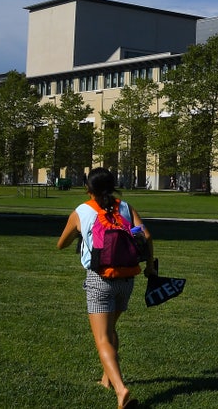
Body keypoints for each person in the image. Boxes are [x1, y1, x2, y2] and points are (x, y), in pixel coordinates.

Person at [57, 167, 155, 409]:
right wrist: (151, 267)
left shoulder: (81, 211)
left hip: (100, 280)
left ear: (87, 188)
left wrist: (75, 236)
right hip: (127, 280)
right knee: (110, 330)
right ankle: (106, 379)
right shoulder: (125, 207)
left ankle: (121, 390)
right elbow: (147, 236)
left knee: (102, 338)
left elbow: (61, 243)